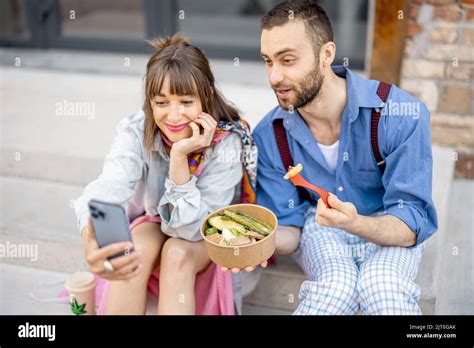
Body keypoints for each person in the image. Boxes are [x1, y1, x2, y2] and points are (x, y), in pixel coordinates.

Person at [251, 0, 437, 314]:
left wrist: (355, 223)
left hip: (388, 221)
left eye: (287, 60)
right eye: (268, 61)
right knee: (335, 289)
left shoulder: (399, 115)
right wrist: (247, 245)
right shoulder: (271, 134)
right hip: (320, 225)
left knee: (382, 285)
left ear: (327, 54)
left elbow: (411, 222)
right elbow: (289, 229)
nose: (274, 76)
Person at [74, 33, 257, 315]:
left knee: (177, 253)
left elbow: (194, 229)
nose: (173, 116)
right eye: (161, 103)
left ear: (206, 94)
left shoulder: (228, 142)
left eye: (185, 102)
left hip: (205, 231)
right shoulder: (137, 130)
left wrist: (180, 157)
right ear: (150, 102)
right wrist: (90, 234)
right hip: (154, 219)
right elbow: (110, 185)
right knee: (135, 249)